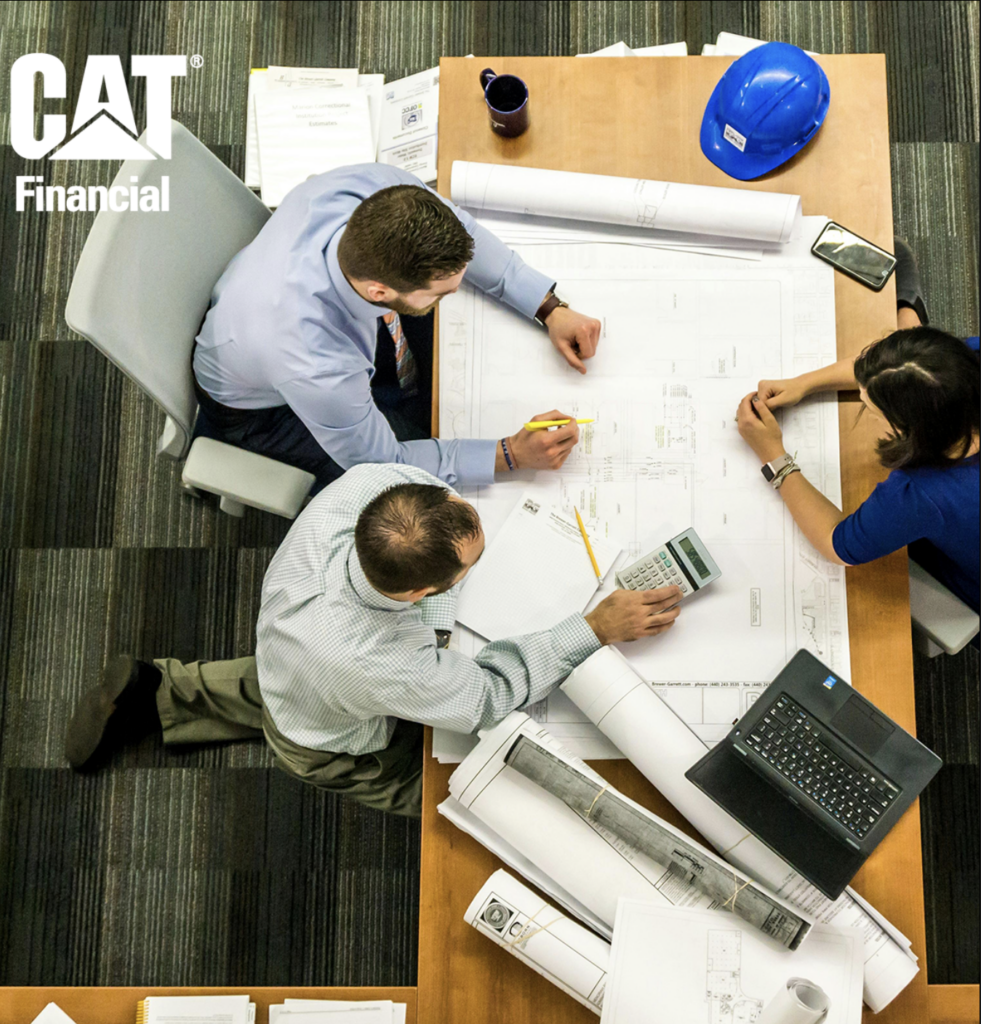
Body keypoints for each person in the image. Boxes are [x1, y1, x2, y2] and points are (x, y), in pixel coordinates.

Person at [65, 464, 683, 816]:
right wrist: (592, 628)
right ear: (419, 592)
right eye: (468, 569)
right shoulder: (377, 662)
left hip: (291, 651)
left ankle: (159, 690)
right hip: (327, 738)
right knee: (454, 792)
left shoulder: (371, 487)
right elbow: (487, 697)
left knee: (287, 682)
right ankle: (456, 806)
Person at [192, 163, 604, 489]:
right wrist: (510, 454)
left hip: (264, 311)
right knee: (414, 490)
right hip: (261, 411)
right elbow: (384, 463)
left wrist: (548, 307)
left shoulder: (376, 188)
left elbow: (464, 232)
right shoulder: (316, 363)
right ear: (379, 291)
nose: (455, 292)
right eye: (442, 292)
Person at [735, 290, 980, 618]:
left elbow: (837, 543)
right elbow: (893, 372)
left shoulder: (921, 494)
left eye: (873, 411)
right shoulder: (967, 363)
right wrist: (804, 383)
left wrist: (773, 455)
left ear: (909, 431)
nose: (863, 403)